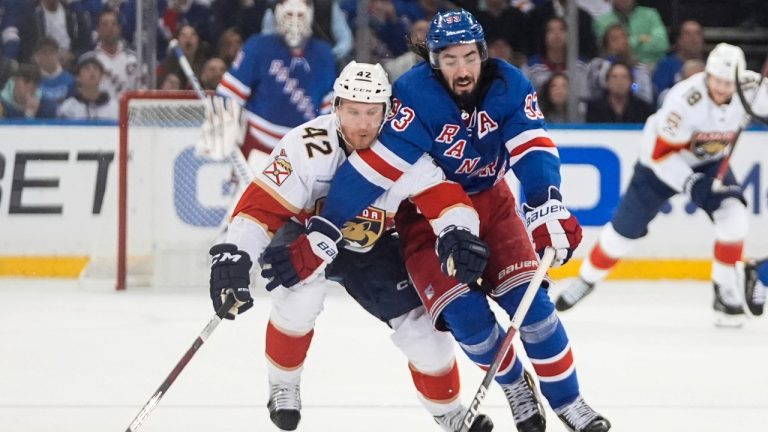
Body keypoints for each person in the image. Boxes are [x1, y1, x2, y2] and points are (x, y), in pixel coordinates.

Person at [261, 9, 611, 432]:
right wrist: (327, 225)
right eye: (449, 59)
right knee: (468, 321)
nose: (461, 69)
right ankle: (515, 382)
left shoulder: (509, 84)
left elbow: (533, 148)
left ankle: (570, 402)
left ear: (482, 53)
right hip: (425, 220)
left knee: (532, 309)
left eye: (468, 57)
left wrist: (546, 204)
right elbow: (373, 171)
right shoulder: (412, 94)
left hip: (491, 207)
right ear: (433, 61)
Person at [205, 62, 493, 432]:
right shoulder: (305, 146)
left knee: (424, 333)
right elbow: (260, 209)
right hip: (302, 233)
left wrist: (459, 232)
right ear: (335, 107)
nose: (362, 123)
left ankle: (449, 411)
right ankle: (283, 385)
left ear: (388, 111)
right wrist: (236, 255)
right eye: (353, 110)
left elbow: (446, 199)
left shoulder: (402, 149)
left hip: (368, 246)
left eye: (372, 112)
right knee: (299, 296)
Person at [556, 43, 768, 328]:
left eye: (728, 83)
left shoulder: (751, 89)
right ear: (707, 74)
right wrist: (690, 182)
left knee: (734, 219)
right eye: (716, 80)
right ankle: (586, 278)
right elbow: (661, 155)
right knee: (622, 234)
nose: (721, 88)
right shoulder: (684, 101)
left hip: (709, 163)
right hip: (660, 165)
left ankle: (725, 290)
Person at [215, 0, 336, 163]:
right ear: (278, 13)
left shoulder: (323, 54)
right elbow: (228, 94)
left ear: (310, 14)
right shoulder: (258, 46)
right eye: (289, 14)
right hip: (258, 141)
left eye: (299, 14)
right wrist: (225, 126)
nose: (294, 21)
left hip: (303, 149)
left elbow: (328, 110)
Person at [57, 54, 117, 120]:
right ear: (78, 77)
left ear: (101, 77)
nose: (92, 71)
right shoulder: (68, 108)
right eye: (87, 68)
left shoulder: (114, 107)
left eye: (95, 68)